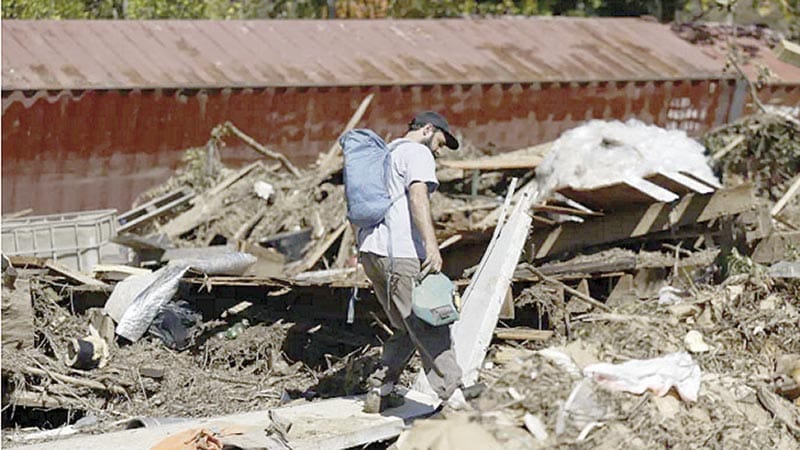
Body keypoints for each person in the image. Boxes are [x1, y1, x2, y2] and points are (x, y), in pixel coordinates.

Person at [358, 111, 463, 413]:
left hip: (372, 253)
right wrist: (432, 246)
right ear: (428, 130)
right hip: (401, 253)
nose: (439, 151)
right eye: (441, 142)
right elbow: (418, 197)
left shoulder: (385, 153)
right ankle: (458, 400)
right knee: (430, 324)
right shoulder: (417, 152)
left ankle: (381, 389)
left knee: (405, 325)